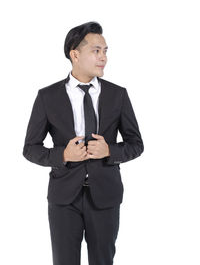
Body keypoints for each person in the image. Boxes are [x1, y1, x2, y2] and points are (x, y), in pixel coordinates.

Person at [22, 21, 144, 265]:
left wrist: (110, 150)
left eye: (106, 51)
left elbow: (136, 144)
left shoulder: (117, 94)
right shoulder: (48, 96)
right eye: (96, 51)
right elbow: (30, 149)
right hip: (64, 197)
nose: (103, 58)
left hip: (105, 195)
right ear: (75, 54)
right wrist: (63, 156)